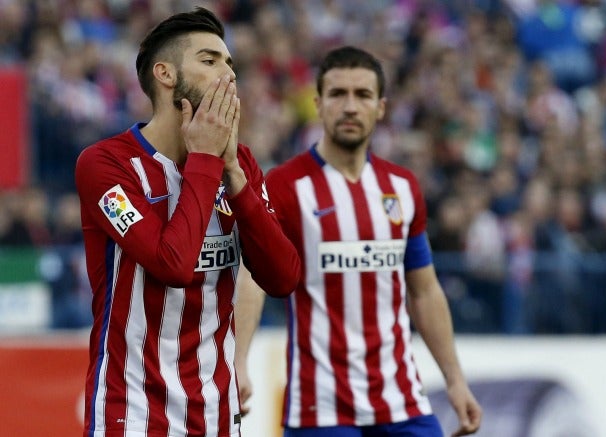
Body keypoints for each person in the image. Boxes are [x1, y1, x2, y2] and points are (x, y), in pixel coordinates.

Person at [74, 8, 301, 437]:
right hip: (132, 412)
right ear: (165, 74)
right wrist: (203, 160)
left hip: (217, 413)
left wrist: (233, 174)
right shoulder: (106, 165)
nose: (229, 75)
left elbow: (283, 277)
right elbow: (172, 265)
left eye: (230, 64)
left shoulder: (242, 164)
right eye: (210, 60)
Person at [236, 46, 482, 437]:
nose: (350, 106)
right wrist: (239, 360)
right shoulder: (284, 187)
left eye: (363, 95)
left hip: (401, 399)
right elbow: (253, 278)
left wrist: (455, 380)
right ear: (318, 104)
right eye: (338, 94)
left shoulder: (402, 188)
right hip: (321, 405)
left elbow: (424, 289)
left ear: (381, 107)